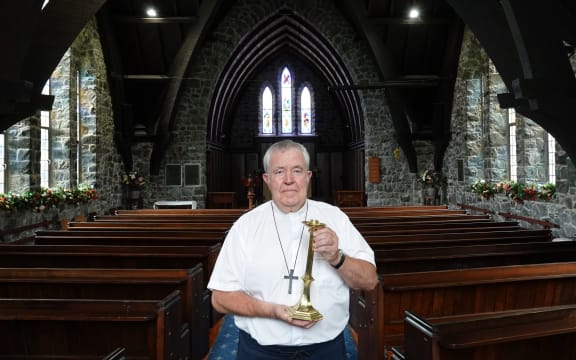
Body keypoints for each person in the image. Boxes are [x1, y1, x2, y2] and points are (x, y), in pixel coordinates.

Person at [207, 139, 378, 359]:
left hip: (326, 351)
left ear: (308, 177)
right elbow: (219, 298)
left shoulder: (336, 219)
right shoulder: (245, 227)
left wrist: (337, 258)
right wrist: (273, 311)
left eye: (296, 170)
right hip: (260, 352)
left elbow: (369, 280)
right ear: (267, 180)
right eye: (279, 172)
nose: (288, 180)